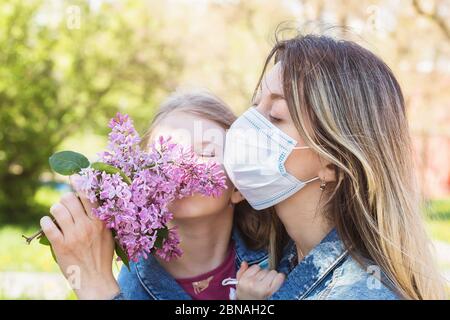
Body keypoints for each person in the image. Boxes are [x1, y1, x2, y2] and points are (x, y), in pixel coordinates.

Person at [224, 33, 447, 300]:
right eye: (255, 106)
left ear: (333, 165)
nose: (245, 127)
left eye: (275, 116)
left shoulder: (359, 293)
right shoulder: (282, 255)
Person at [40, 91, 281, 300]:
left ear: (238, 186)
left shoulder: (281, 263)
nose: (181, 167)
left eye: (206, 153)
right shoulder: (126, 288)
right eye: (164, 154)